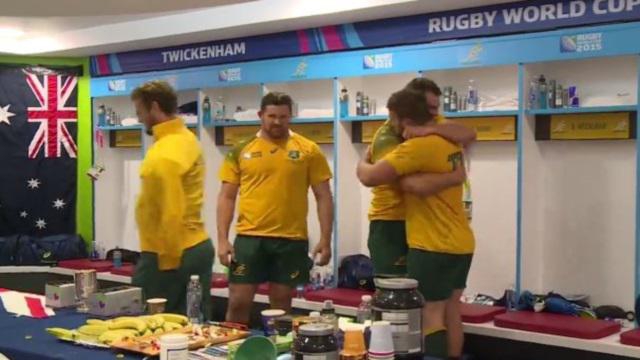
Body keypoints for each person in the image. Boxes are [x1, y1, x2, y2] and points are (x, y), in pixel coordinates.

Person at [357, 89, 475, 360]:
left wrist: (362, 163)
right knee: (450, 309)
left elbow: (385, 179)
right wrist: (455, 176)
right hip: (459, 240)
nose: (436, 113)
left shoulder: (418, 145)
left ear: (404, 118)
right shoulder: (444, 141)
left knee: (427, 313)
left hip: (431, 242)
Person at [217, 92, 334, 324]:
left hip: (291, 241)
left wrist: (325, 239)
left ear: (291, 117)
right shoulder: (241, 149)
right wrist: (222, 239)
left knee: (281, 307)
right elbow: (226, 197)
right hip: (249, 240)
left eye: (283, 116)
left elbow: (324, 197)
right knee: (238, 302)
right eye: (272, 116)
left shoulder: (308, 150)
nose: (277, 121)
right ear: (261, 115)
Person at [367, 78, 475, 278]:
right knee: (396, 296)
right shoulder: (389, 133)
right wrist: (361, 166)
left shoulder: (430, 123)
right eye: (430, 108)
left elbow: (469, 134)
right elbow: (407, 184)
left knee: (426, 297)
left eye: (437, 108)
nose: (435, 114)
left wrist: (431, 129)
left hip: (423, 226)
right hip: (391, 221)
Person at [131, 80, 214, 318]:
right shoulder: (183, 139)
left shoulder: (168, 151)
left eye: (140, 112)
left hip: (171, 251)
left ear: (154, 107)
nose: (139, 119)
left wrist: (167, 262)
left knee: (154, 325)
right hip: (186, 247)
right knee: (192, 324)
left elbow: (171, 208)